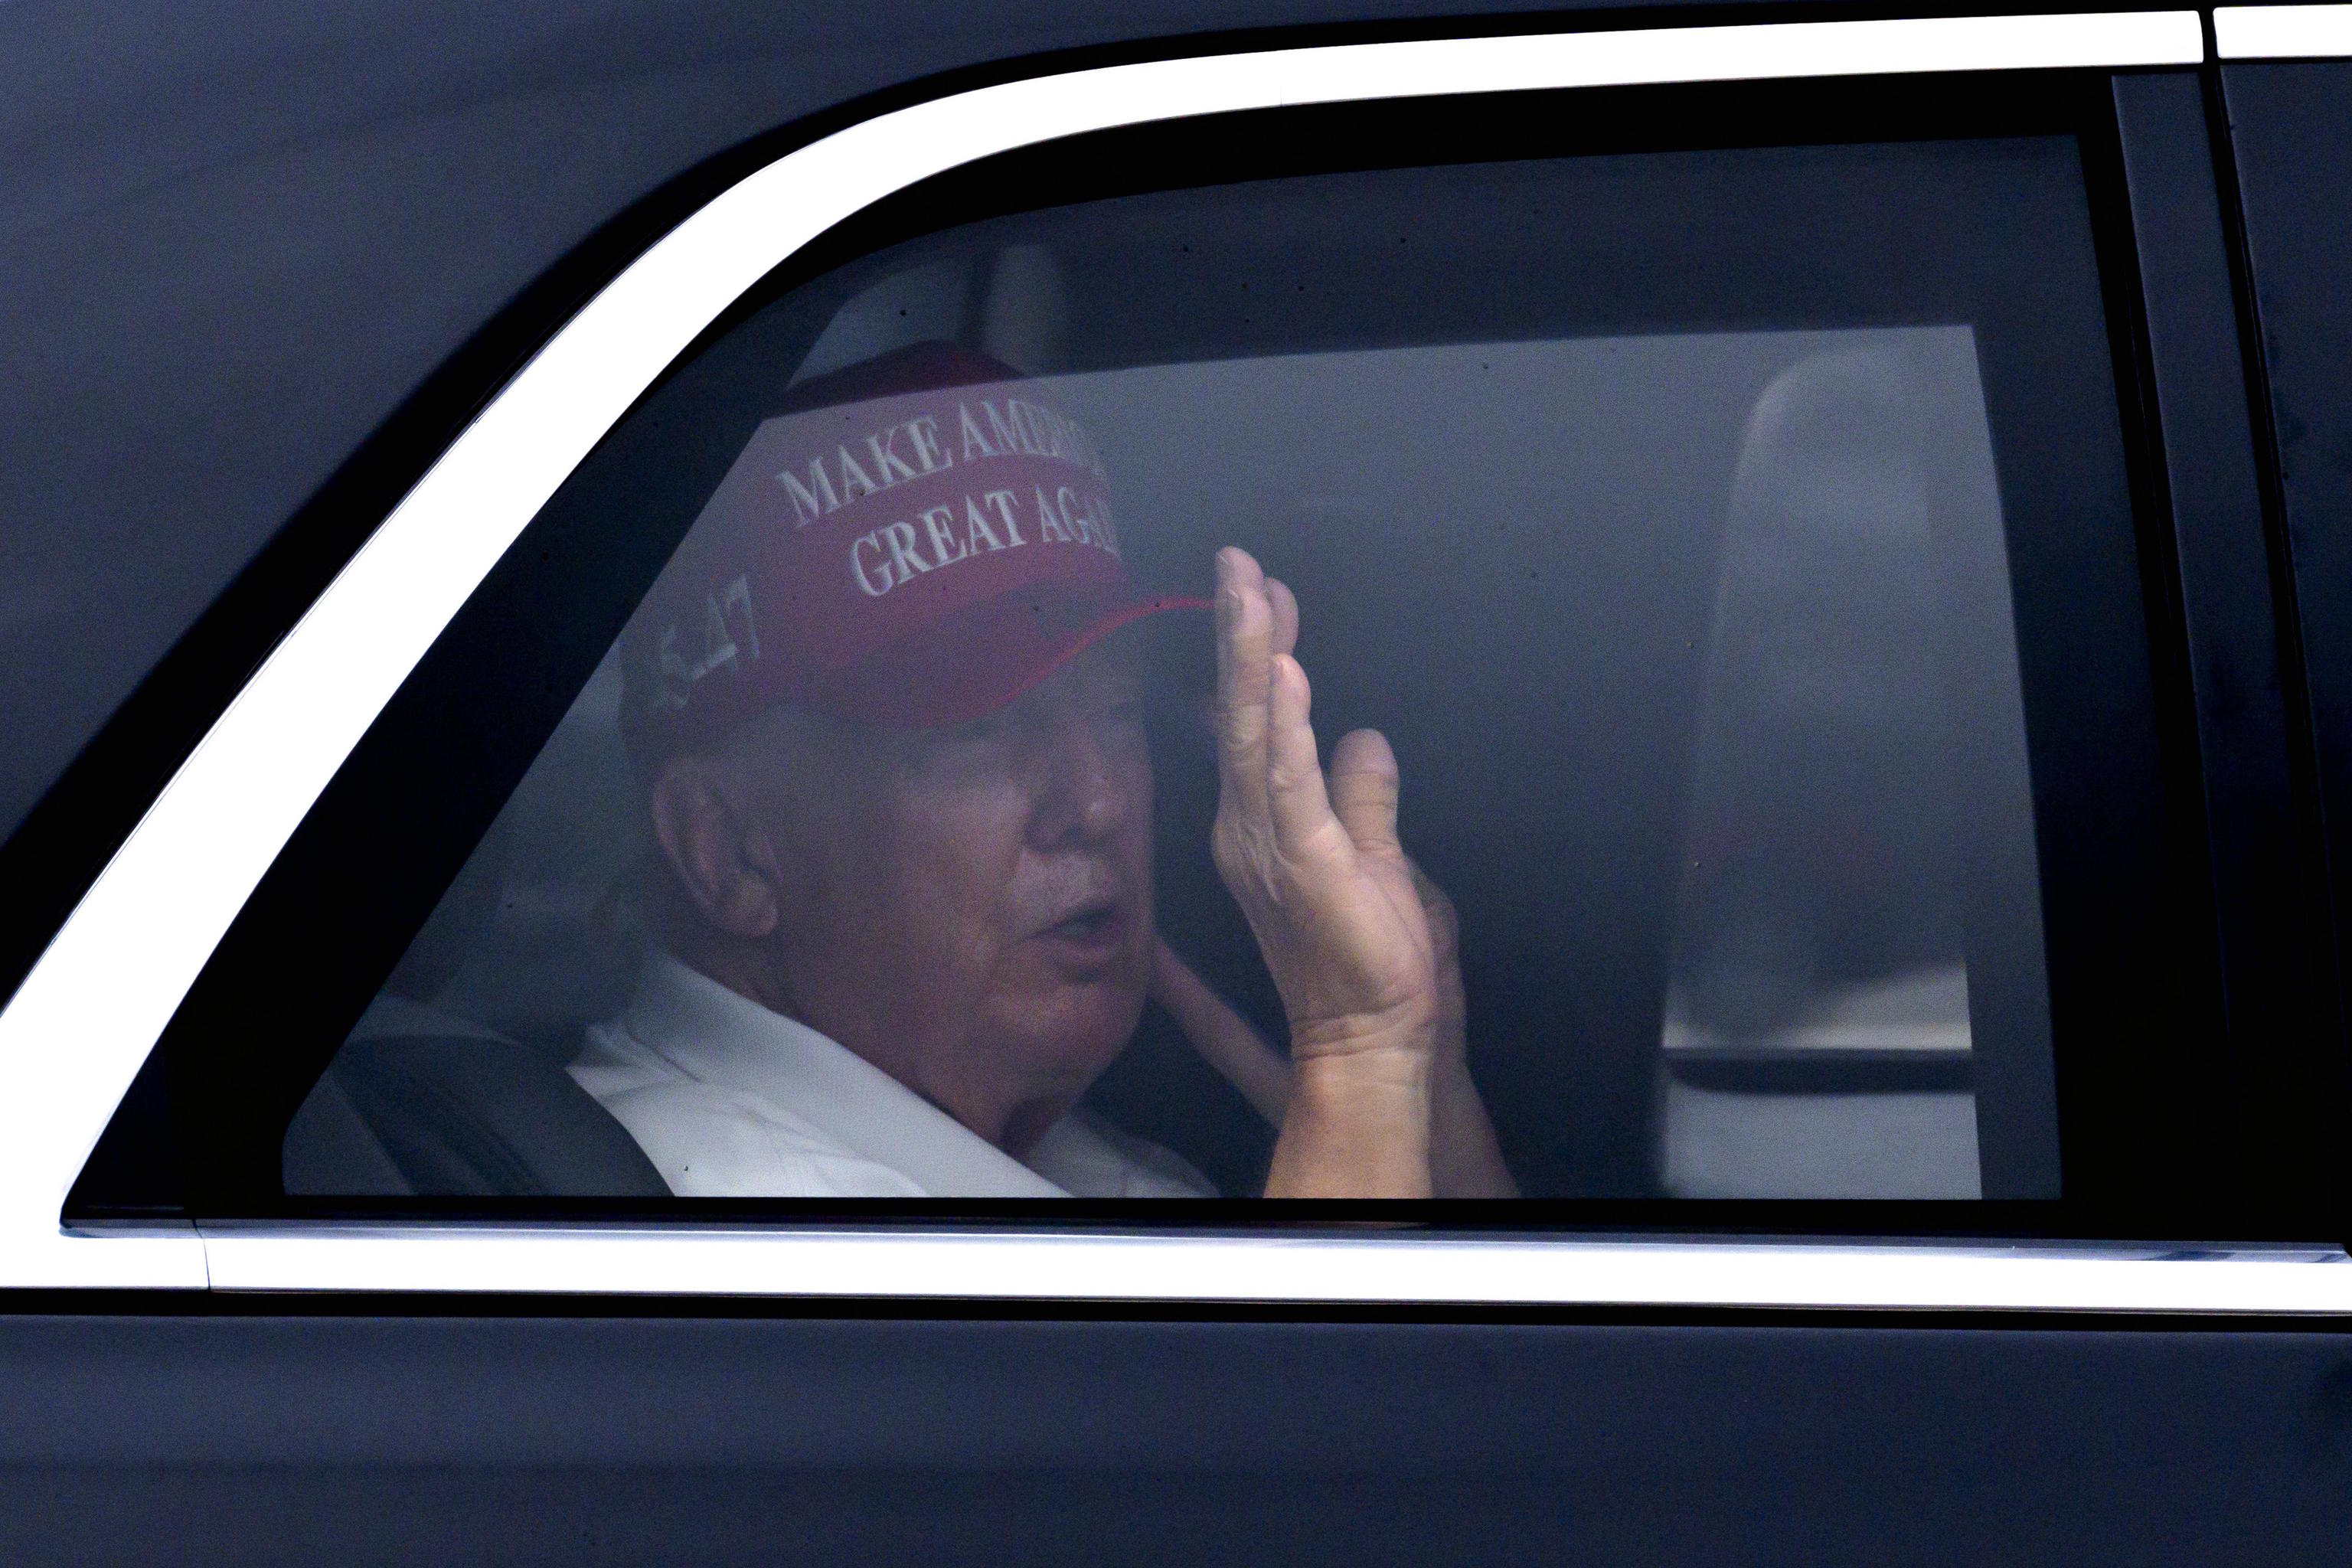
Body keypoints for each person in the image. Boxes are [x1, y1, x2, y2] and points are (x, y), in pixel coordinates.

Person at [572, 345, 1514, 1198]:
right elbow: (1324, 1397)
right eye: (976, 729)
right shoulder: (741, 1232)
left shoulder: (1023, 1159)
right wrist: (1361, 1064)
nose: (1098, 800)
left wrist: (1419, 1111)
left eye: (1116, 710)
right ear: (726, 849)